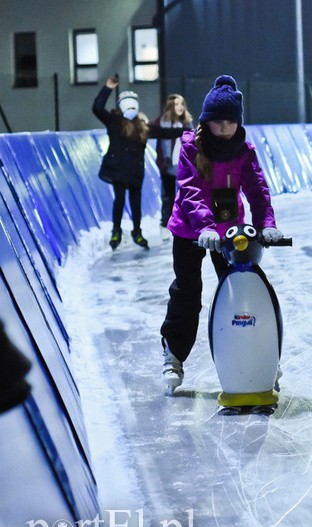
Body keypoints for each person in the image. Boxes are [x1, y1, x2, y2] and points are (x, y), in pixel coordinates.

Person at [159, 75, 284, 394]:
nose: (225, 127)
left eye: (230, 121)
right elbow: (189, 191)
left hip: (230, 228)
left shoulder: (244, 150)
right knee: (188, 290)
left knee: (245, 285)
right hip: (191, 229)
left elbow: (257, 189)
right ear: (207, 121)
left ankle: (262, 354)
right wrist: (204, 227)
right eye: (218, 121)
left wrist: (266, 223)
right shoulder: (190, 146)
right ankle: (174, 354)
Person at [92, 75, 187, 250]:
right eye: (127, 105)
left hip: (135, 171)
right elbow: (97, 108)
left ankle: (137, 231)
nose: (130, 108)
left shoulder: (142, 127)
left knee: (136, 202)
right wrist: (107, 88)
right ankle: (116, 231)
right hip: (118, 169)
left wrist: (186, 131)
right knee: (119, 200)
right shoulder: (114, 122)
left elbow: (163, 133)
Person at [151, 94, 194, 241]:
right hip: (167, 166)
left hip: (185, 166)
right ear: (170, 107)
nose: (180, 107)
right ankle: (165, 224)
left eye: (182, 104)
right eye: (176, 104)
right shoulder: (161, 123)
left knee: (186, 195)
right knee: (168, 197)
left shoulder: (188, 124)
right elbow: (149, 130)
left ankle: (185, 223)